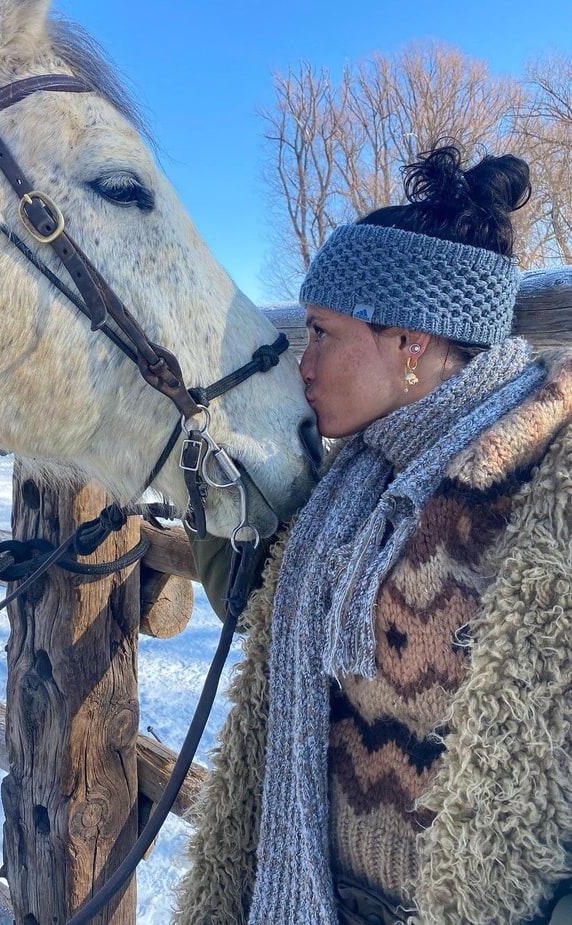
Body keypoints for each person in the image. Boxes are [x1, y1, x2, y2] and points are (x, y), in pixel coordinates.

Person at [173, 145, 572, 925]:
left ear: (410, 341)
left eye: (321, 333)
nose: (304, 365)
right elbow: (248, 596)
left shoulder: (543, 483)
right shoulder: (350, 482)